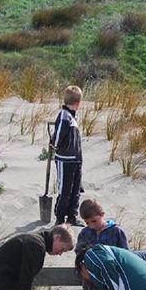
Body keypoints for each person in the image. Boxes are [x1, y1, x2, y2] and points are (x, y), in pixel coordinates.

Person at [52, 86, 84, 227]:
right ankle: (60, 218)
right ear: (77, 103)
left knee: (75, 189)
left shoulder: (71, 116)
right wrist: (56, 145)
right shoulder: (64, 116)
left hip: (76, 160)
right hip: (65, 160)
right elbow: (58, 135)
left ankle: (72, 216)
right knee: (64, 190)